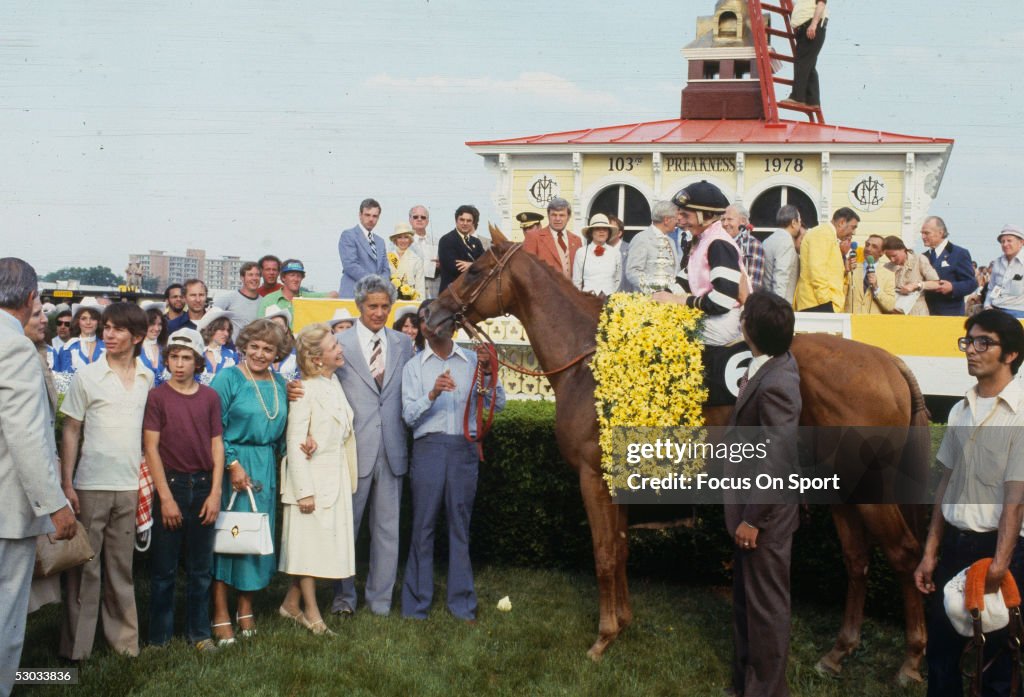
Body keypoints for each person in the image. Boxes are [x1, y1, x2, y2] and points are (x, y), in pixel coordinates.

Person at [288, 275, 414, 616]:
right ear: (359, 305)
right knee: (347, 529)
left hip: (392, 451)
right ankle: (344, 600)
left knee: (387, 531)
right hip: (350, 453)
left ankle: (380, 602)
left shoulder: (403, 343)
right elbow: (303, 371)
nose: (379, 312)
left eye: (385, 306)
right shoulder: (338, 342)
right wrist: (290, 388)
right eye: (372, 306)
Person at [914, 309, 1024, 697]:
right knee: (941, 656)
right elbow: (946, 482)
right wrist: (930, 554)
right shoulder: (960, 409)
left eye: (983, 342)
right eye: (968, 341)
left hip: (1000, 552)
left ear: (1010, 354)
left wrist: (1000, 564)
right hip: (956, 549)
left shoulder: (1022, 410)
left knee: (997, 662)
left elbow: (1016, 496)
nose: (971, 351)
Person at [59, 302, 153, 660]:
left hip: (129, 486)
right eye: (105, 328)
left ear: (138, 336)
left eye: (116, 329)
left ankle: (125, 646)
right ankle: (76, 650)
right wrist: (68, 484)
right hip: (90, 485)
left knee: (120, 569)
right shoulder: (88, 375)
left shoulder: (146, 378)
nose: (107, 335)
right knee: (84, 568)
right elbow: (71, 429)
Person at [401, 300, 505, 621]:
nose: (429, 325)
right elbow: (408, 416)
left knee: (460, 527)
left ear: (451, 324)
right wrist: (432, 394)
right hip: (429, 449)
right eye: (423, 320)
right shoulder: (415, 367)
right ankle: (417, 605)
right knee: (423, 526)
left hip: (464, 450)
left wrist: (488, 374)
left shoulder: (473, 360)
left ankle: (462, 604)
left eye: (435, 318)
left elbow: (498, 404)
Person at [0, 258, 76, 697]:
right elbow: (26, 436)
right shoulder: (14, 348)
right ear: (31, 299)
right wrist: (54, 505)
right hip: (7, 510)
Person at [726, 291, 801, 697]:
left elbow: (778, 455)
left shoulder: (777, 380)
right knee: (748, 605)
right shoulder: (771, 366)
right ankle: (745, 683)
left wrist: (753, 518)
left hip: (764, 517)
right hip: (754, 512)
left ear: (750, 330)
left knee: (767, 611)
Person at [209, 319, 290, 644]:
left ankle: (246, 608)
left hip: (265, 466)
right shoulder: (228, 378)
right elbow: (213, 425)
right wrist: (232, 463)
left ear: (277, 353)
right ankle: (219, 613)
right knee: (230, 537)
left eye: (267, 348)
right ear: (244, 346)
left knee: (254, 540)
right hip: (233, 466)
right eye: (254, 346)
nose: (260, 353)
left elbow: (286, 429)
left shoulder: (281, 382)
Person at [143, 328, 224, 652]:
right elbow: (151, 448)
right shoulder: (158, 397)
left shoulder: (209, 397)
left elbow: (217, 445)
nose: (179, 364)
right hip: (172, 485)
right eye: (174, 357)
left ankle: (200, 633)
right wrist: (165, 498)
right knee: (163, 570)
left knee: (200, 569)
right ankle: (159, 637)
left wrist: (215, 492)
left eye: (186, 358)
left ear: (198, 361)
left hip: (203, 485)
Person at [278, 323, 358, 636]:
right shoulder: (304, 390)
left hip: (334, 478)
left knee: (318, 548)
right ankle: (312, 615)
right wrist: (304, 492)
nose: (341, 349)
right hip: (311, 481)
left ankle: (290, 605)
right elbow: (295, 444)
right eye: (334, 345)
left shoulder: (334, 382)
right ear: (316, 357)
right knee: (308, 550)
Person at [655, 182, 749, 346]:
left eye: (685, 215)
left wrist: (678, 301)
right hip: (711, 315)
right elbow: (686, 280)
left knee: (658, 331)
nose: (680, 220)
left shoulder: (718, 243)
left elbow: (722, 301)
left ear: (704, 216)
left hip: (724, 321)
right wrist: (659, 296)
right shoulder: (703, 239)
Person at [794, 207, 860, 312]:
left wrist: (845, 270)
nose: (854, 232)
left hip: (820, 303)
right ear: (841, 222)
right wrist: (826, 301)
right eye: (853, 227)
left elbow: (828, 271)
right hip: (817, 304)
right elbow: (816, 270)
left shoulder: (828, 234)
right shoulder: (822, 233)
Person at [920, 217, 977, 316]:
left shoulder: (959, 253)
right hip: (926, 314)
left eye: (926, 233)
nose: (923, 236)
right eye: (922, 233)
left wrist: (953, 287)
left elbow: (971, 283)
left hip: (950, 314)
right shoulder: (922, 257)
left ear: (940, 233)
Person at [779, 0, 828, 109]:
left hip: (811, 27)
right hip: (805, 28)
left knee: (802, 62)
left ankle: (798, 97)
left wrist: (813, 24)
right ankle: (813, 100)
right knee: (809, 65)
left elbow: (821, 4)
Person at [626, 200, 682, 292]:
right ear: (666, 220)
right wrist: (653, 291)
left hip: (670, 298)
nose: (677, 221)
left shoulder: (671, 241)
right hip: (648, 301)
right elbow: (633, 271)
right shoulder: (641, 238)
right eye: (676, 218)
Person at [338, 198, 390, 298]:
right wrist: (375, 282)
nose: (371, 219)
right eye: (367, 215)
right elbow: (350, 265)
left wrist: (380, 285)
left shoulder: (380, 242)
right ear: (360, 215)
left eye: (375, 216)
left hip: (376, 298)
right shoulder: (349, 235)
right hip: (354, 294)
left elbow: (386, 269)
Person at [523, 197, 582, 280]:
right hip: (544, 291)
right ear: (548, 216)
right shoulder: (534, 237)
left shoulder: (576, 240)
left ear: (568, 217)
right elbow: (526, 270)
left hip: (571, 291)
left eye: (562, 215)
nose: (557, 219)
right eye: (554, 215)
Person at [882, 236, 940, 316]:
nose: (892, 260)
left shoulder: (919, 259)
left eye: (894, 256)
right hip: (894, 312)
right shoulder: (887, 267)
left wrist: (916, 285)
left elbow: (937, 283)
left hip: (917, 311)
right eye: (888, 257)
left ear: (903, 249)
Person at [438, 205, 485, 294]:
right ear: (456, 221)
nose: (465, 223)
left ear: (473, 223)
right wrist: (477, 266)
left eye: (469, 221)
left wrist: (471, 265)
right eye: (462, 219)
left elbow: (486, 263)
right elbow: (455, 268)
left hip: (472, 294)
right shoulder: (447, 240)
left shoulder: (476, 242)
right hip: (451, 295)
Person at [572, 213, 622, 296]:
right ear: (591, 232)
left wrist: (612, 298)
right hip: (588, 300)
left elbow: (618, 280)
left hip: (610, 300)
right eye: (597, 229)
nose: (601, 231)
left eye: (605, 229)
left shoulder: (615, 253)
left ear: (608, 233)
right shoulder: (581, 252)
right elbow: (577, 281)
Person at [845, 234, 897, 314]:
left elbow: (890, 306)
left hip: (873, 324)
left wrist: (876, 288)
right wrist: (846, 271)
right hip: (850, 322)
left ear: (882, 252)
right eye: (867, 245)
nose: (868, 249)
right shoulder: (852, 269)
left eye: (874, 247)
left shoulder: (888, 275)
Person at [761, 204, 801, 303]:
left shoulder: (767, 240)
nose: (800, 225)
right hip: (780, 303)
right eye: (799, 221)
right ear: (793, 222)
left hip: (767, 299)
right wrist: (779, 307)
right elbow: (781, 276)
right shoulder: (786, 241)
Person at [213, 261, 263, 340]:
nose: (254, 278)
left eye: (257, 275)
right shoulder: (229, 298)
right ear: (242, 278)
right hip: (232, 349)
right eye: (250, 275)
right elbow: (211, 319)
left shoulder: (263, 302)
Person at [984, 224, 1024, 318]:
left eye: (1009, 241)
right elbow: (992, 288)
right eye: (1002, 241)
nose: (1005, 244)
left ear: (1021, 242)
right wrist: (987, 305)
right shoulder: (997, 262)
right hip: (995, 310)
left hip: (1018, 312)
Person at [723, 204, 766, 292]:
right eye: (723, 219)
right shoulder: (719, 242)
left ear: (742, 221)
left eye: (729, 219)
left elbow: (754, 284)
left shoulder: (752, 244)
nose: (725, 223)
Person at [56, 298, 105, 373]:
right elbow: (64, 380)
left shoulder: (107, 347)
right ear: (78, 321)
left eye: (93, 318)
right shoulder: (67, 348)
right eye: (84, 318)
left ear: (98, 322)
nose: (88, 322)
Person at [197, 308, 238, 385]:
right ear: (210, 329)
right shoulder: (196, 353)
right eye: (222, 329)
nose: (226, 334)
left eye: (228, 330)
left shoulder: (232, 355)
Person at [408, 205, 441, 298]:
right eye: (415, 217)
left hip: (434, 290)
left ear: (427, 221)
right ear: (410, 220)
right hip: (411, 290)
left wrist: (440, 265)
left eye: (423, 217)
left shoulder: (438, 242)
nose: (419, 219)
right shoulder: (402, 241)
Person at [388, 223, 426, 299]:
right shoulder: (388, 257)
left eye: (406, 237)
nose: (403, 241)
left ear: (410, 240)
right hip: (390, 299)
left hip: (410, 299)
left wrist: (420, 304)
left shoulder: (416, 260)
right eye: (399, 237)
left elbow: (420, 286)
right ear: (395, 240)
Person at [140, 306, 169, 385]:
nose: (156, 328)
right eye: (152, 324)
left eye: (159, 324)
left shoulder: (166, 348)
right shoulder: (134, 349)